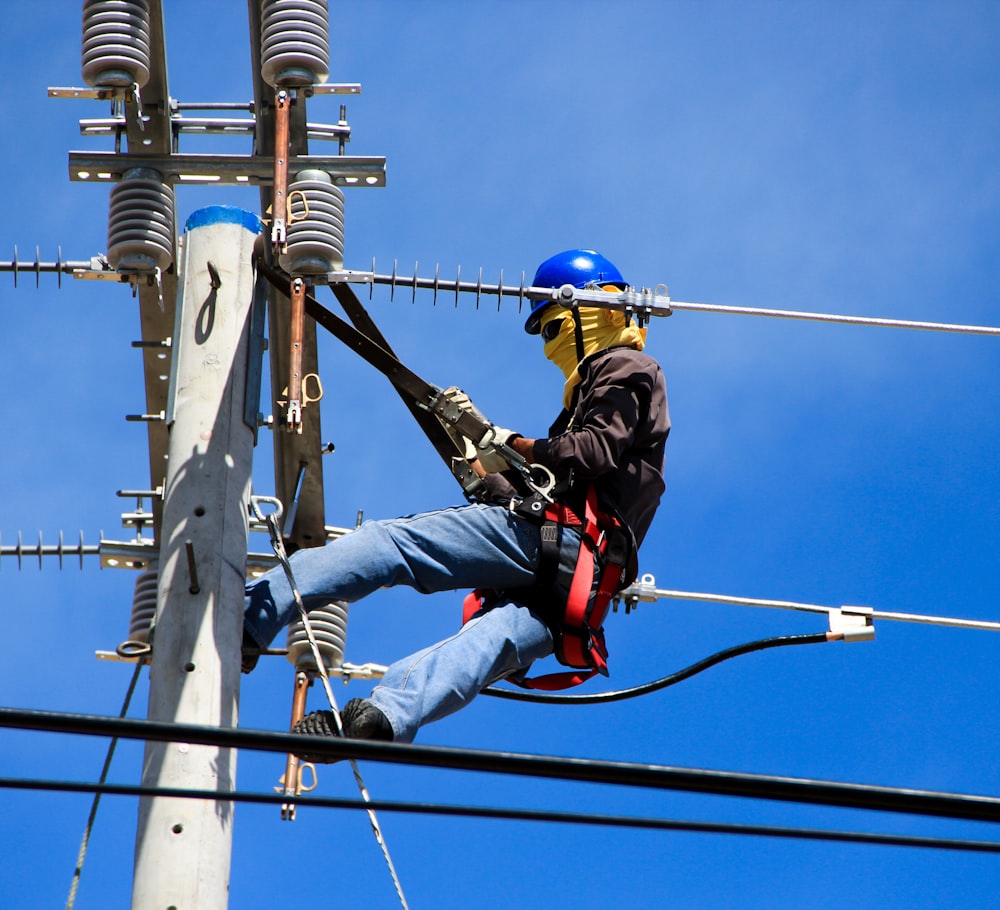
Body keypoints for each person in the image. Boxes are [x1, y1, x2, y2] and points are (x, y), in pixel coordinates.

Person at [241, 249, 670, 752]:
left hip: (559, 541)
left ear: (592, 309)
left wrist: (509, 443)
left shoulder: (626, 366)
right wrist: (489, 468)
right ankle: (380, 719)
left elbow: (590, 452)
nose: (550, 346)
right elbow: (574, 483)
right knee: (484, 645)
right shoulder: (614, 396)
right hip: (582, 585)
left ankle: (248, 615)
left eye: (553, 328)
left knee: (392, 546)